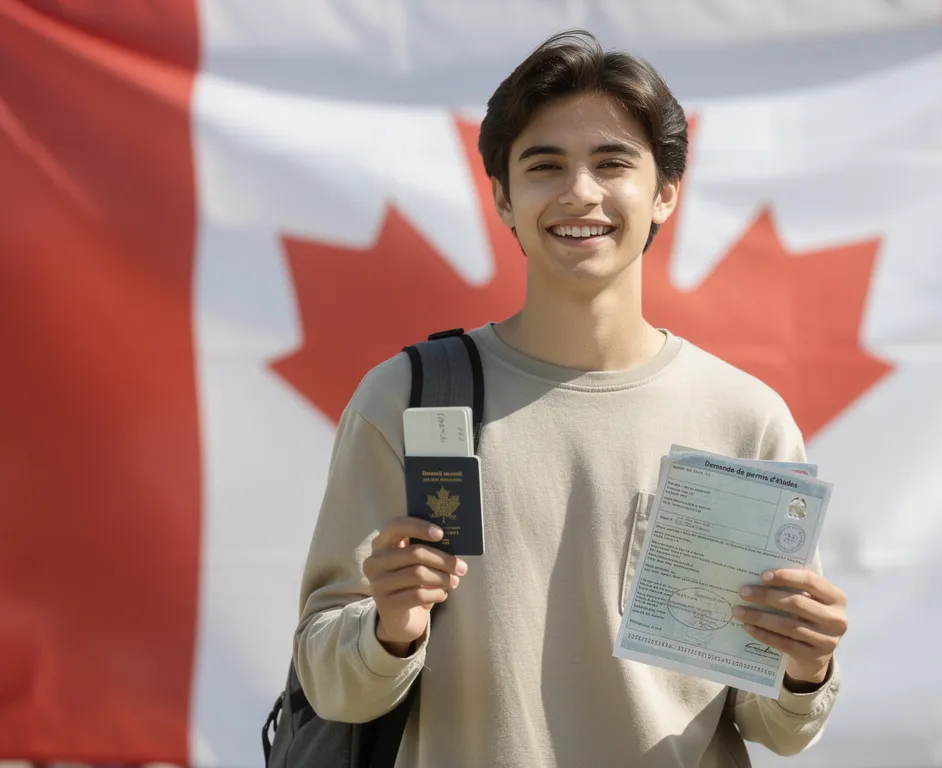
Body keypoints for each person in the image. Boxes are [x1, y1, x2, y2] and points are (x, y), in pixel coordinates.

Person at [293, 29, 847, 767]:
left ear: (666, 193)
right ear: (502, 198)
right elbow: (331, 687)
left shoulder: (745, 419)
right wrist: (388, 627)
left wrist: (805, 665)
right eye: (544, 165)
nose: (579, 192)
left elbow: (776, 728)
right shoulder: (407, 399)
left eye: (613, 163)